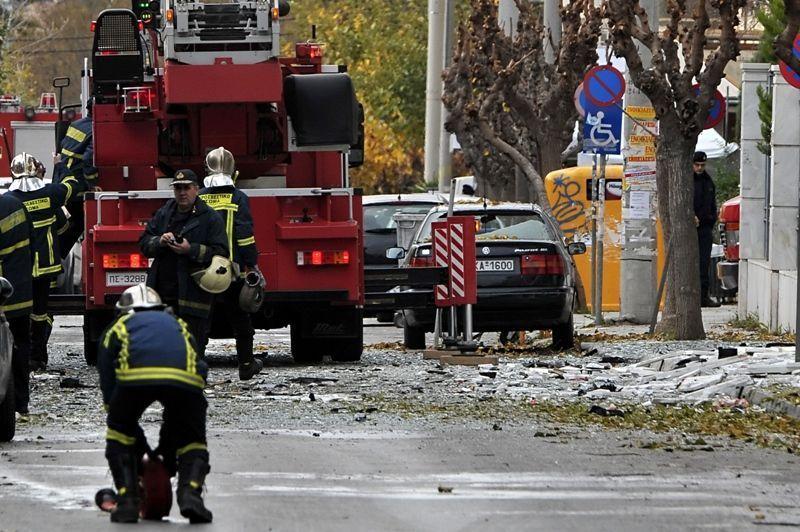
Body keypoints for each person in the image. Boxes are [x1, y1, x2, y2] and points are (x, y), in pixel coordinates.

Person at [98, 284, 212, 523]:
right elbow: (199, 367)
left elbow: (108, 374)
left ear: (123, 310)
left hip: (135, 379)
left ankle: (127, 500)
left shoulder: (117, 327)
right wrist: (166, 452)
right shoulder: (178, 324)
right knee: (192, 440)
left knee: (120, 433)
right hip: (186, 382)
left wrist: (125, 427)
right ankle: (191, 494)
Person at [7, 153, 87, 371]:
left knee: (19, 312)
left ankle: (19, 355)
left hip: (20, 270)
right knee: (42, 312)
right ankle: (38, 356)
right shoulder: (50, 195)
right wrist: (60, 166)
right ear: (36, 170)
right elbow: (72, 186)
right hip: (46, 266)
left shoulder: (9, 201)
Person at [139, 169, 228, 358]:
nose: (182, 192)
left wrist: (191, 249)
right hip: (163, 295)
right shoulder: (164, 213)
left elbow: (221, 253)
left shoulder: (210, 218)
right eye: (178, 188)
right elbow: (144, 242)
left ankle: (193, 386)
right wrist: (160, 241)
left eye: (186, 187)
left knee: (192, 352)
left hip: (194, 297)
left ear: (197, 189)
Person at [199, 147, 263, 380]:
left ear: (207, 170)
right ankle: (246, 364)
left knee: (201, 321)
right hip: (232, 272)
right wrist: (251, 263)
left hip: (204, 271)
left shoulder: (199, 196)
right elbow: (244, 235)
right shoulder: (238, 198)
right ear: (233, 171)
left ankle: (197, 370)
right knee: (240, 319)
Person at [0, 193, 33, 414]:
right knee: (20, 347)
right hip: (21, 291)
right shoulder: (14, 204)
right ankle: (21, 403)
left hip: (3, 297)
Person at [53, 101, 98, 258]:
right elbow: (88, 160)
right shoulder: (95, 129)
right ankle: (57, 257)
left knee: (65, 224)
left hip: (63, 178)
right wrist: (92, 184)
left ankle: (54, 256)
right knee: (78, 223)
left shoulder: (75, 124)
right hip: (77, 184)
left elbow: (64, 146)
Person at [692, 151, 720, 308]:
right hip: (691, 228)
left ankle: (703, 296)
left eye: (702, 165)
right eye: (697, 165)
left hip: (705, 227)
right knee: (691, 262)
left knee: (704, 263)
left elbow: (712, 203)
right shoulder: (688, 180)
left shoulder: (708, 181)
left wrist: (711, 220)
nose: (700, 168)